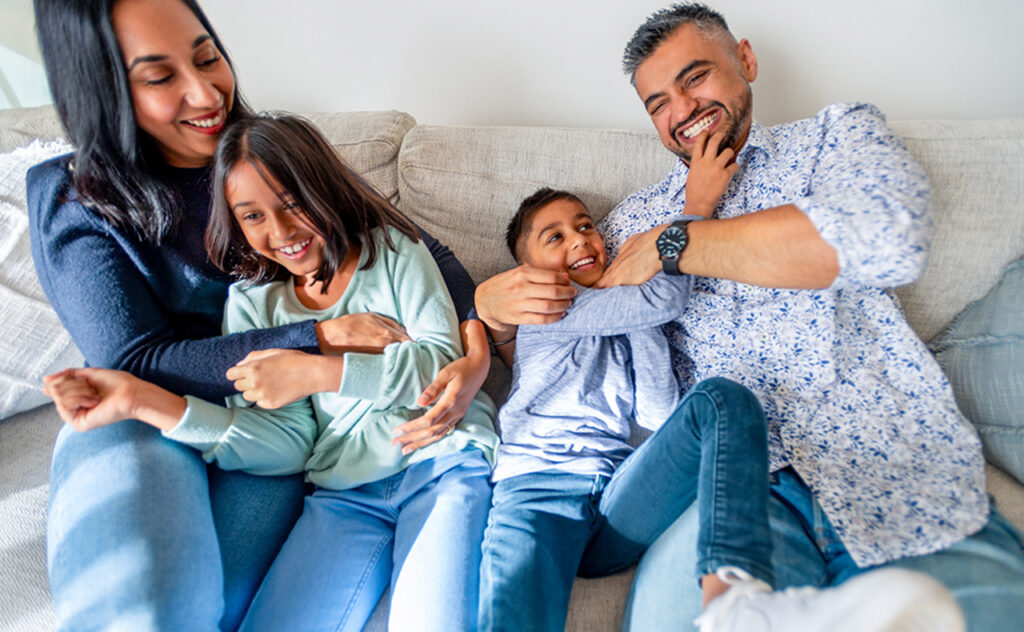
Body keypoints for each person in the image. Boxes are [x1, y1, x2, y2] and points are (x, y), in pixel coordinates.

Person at [474, 3, 1024, 630]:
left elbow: (888, 235)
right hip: (727, 495)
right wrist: (491, 312)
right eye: (657, 104)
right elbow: (561, 334)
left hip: (892, 467)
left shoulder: (830, 140)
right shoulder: (624, 221)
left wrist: (675, 244)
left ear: (746, 59)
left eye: (694, 78)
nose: (681, 111)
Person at [29, 1, 491, 629]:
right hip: (157, 408)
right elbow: (136, 364)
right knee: (150, 609)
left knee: (229, 609)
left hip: (318, 427)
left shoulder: (265, 152)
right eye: (160, 76)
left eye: (207, 56)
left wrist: (476, 348)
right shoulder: (76, 196)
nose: (204, 91)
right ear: (103, 89)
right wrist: (316, 343)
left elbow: (413, 245)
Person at [481, 182, 962, 632]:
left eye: (585, 226)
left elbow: (658, 414)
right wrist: (692, 215)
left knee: (721, 399)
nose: (580, 240)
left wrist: (634, 316)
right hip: (539, 489)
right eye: (555, 237)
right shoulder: (549, 309)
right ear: (528, 271)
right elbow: (663, 299)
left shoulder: (622, 311)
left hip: (612, 505)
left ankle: (731, 595)